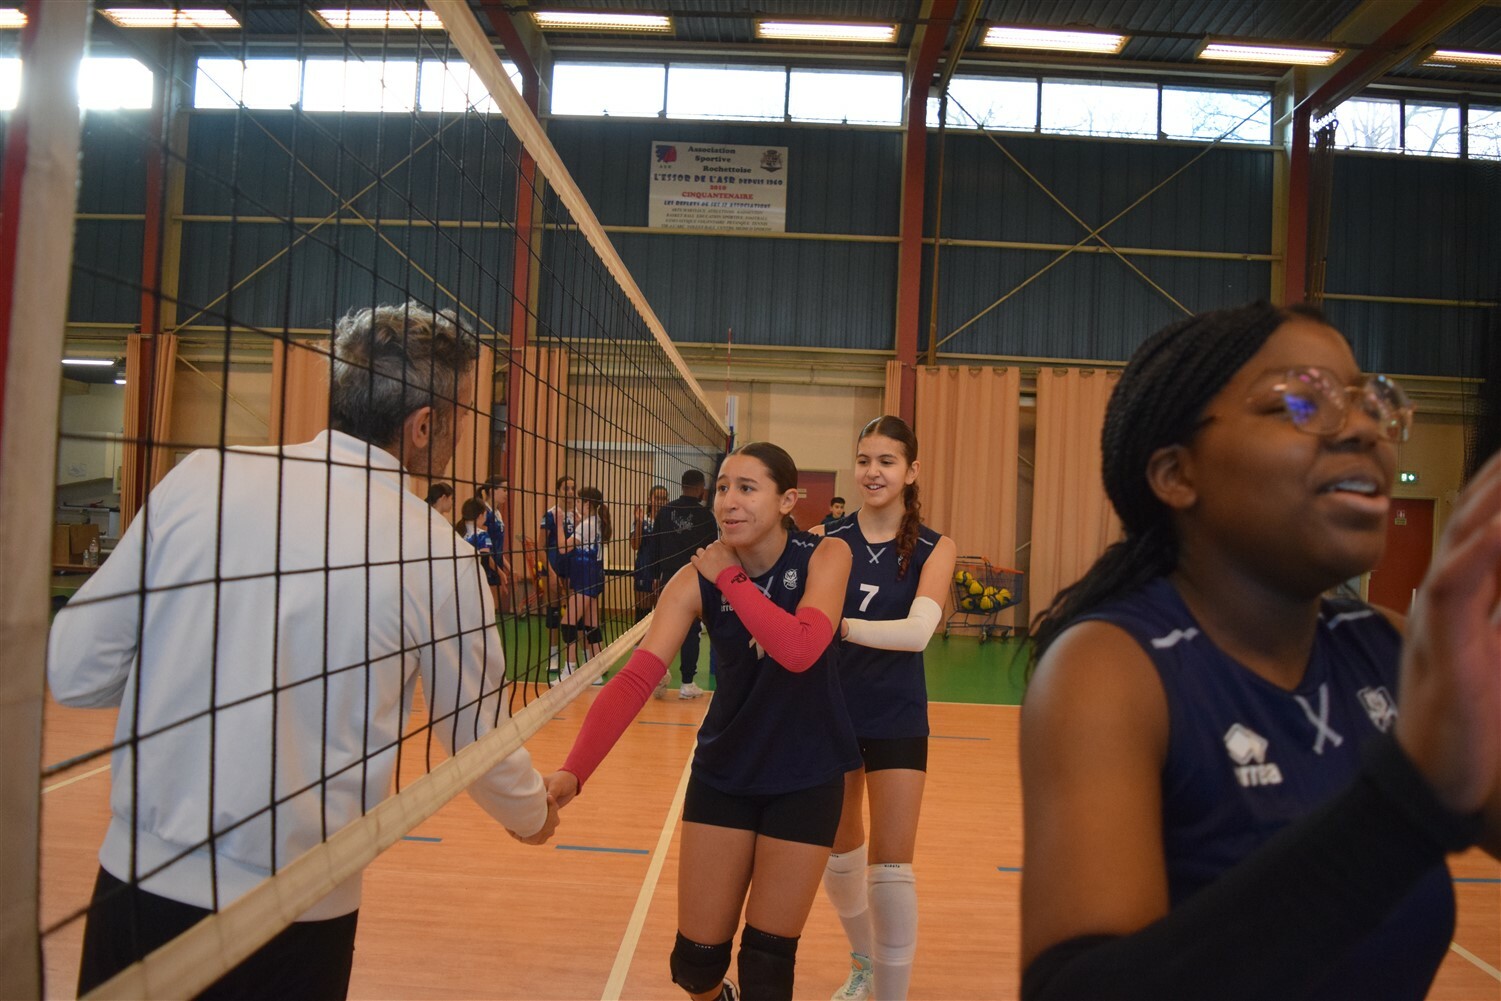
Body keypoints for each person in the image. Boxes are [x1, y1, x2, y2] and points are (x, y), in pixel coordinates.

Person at [48, 301, 559, 999]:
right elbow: (478, 739)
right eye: (462, 413)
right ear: (422, 426)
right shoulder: (436, 554)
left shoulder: (201, 477)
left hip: (131, 894)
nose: (462, 428)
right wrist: (532, 814)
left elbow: (75, 673)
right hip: (295, 915)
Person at [1019, 301, 1500, 1000]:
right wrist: (1405, 800)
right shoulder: (1110, 668)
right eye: (1300, 402)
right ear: (1176, 473)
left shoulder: (1391, 647)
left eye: (1368, 402)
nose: (1363, 427)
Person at [546, 442, 861, 1001]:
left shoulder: (825, 556)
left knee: (767, 967)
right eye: (722, 488)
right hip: (725, 772)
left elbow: (800, 650)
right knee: (695, 966)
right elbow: (636, 680)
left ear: (787, 501)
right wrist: (574, 771)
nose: (728, 501)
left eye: (747, 488)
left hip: (807, 776)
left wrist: (731, 580)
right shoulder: (692, 582)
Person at [815, 416, 956, 1001]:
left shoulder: (935, 547)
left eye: (887, 461)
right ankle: (864, 961)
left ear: (911, 471)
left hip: (897, 713)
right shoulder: (826, 538)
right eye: (864, 460)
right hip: (831, 712)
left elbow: (919, 632)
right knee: (840, 852)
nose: (873, 472)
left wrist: (840, 626)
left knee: (893, 868)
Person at [655, 468, 719, 699]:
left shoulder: (665, 511)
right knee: (691, 631)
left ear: (682, 485)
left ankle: (659, 672)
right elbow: (712, 551)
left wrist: (655, 575)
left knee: (663, 628)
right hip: (694, 579)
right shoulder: (706, 516)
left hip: (667, 577)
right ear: (701, 488)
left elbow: (654, 545)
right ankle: (687, 683)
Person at [557, 486, 612, 685]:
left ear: (587, 504)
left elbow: (563, 548)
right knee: (591, 625)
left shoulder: (587, 525)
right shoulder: (596, 522)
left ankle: (569, 670)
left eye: (579, 501)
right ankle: (596, 672)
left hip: (584, 577)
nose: (576, 504)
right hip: (593, 576)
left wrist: (558, 524)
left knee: (568, 623)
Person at [541, 475, 578, 677]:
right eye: (566, 488)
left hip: (573, 569)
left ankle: (572, 658)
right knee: (553, 612)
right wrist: (551, 573)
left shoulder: (579, 515)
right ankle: (553, 655)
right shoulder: (551, 514)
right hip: (553, 568)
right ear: (558, 491)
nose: (570, 492)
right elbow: (540, 547)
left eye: (573, 488)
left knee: (573, 613)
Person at [632, 484, 670, 623]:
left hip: (663, 573)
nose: (660, 501)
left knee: (662, 617)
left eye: (663, 498)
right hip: (644, 572)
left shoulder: (669, 523)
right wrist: (639, 523)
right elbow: (635, 545)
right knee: (642, 616)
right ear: (650, 500)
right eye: (657, 498)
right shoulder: (642, 521)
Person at [458, 497, 503, 611]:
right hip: (475, 581)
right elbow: (485, 561)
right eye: (485, 514)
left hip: (458, 579)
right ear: (480, 515)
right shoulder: (482, 535)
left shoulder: (456, 531)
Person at [477, 475, 512, 601]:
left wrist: (509, 568)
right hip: (486, 567)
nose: (507, 494)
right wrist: (499, 571)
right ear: (492, 491)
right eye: (504, 490)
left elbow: (497, 547)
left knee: (494, 607)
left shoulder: (497, 513)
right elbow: (483, 549)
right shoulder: (484, 512)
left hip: (495, 567)